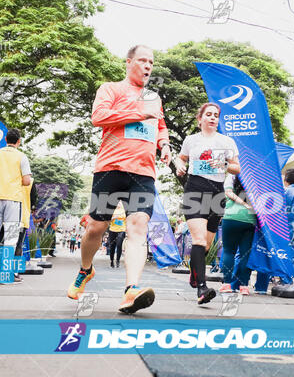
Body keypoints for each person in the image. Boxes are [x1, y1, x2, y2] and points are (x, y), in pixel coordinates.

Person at [66, 45, 172, 315]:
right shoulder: (110, 89)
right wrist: (139, 113)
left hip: (144, 172)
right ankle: (85, 269)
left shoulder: (153, 97)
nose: (148, 66)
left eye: (151, 61)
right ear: (129, 63)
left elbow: (160, 126)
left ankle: (130, 291)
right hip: (110, 167)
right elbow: (98, 117)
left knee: (137, 229)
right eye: (143, 61)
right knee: (95, 228)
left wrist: (165, 145)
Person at [176, 102, 240, 305]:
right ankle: (202, 289)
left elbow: (237, 168)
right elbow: (181, 158)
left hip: (217, 192)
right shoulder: (191, 140)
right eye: (208, 114)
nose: (213, 118)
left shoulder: (227, 141)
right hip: (195, 188)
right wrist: (180, 167)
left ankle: (195, 274)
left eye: (216, 115)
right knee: (199, 240)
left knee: (207, 244)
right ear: (200, 118)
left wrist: (223, 164)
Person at [0, 128, 32, 247]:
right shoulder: (22, 156)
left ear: (5, 139)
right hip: (13, 199)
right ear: (18, 141)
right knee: (11, 238)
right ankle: (6, 265)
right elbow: (27, 181)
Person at [220, 175, 256, 295]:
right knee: (245, 254)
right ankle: (244, 286)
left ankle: (226, 284)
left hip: (231, 217)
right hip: (250, 219)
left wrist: (241, 203)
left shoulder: (231, 176)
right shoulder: (255, 175)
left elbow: (228, 192)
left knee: (228, 251)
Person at [107, 202, 126, 268]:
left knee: (119, 245)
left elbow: (127, 220)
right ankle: (111, 260)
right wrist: (114, 217)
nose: (119, 204)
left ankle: (118, 260)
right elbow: (108, 221)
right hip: (112, 230)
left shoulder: (124, 210)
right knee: (112, 246)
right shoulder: (112, 210)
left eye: (120, 203)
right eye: (118, 202)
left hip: (121, 230)